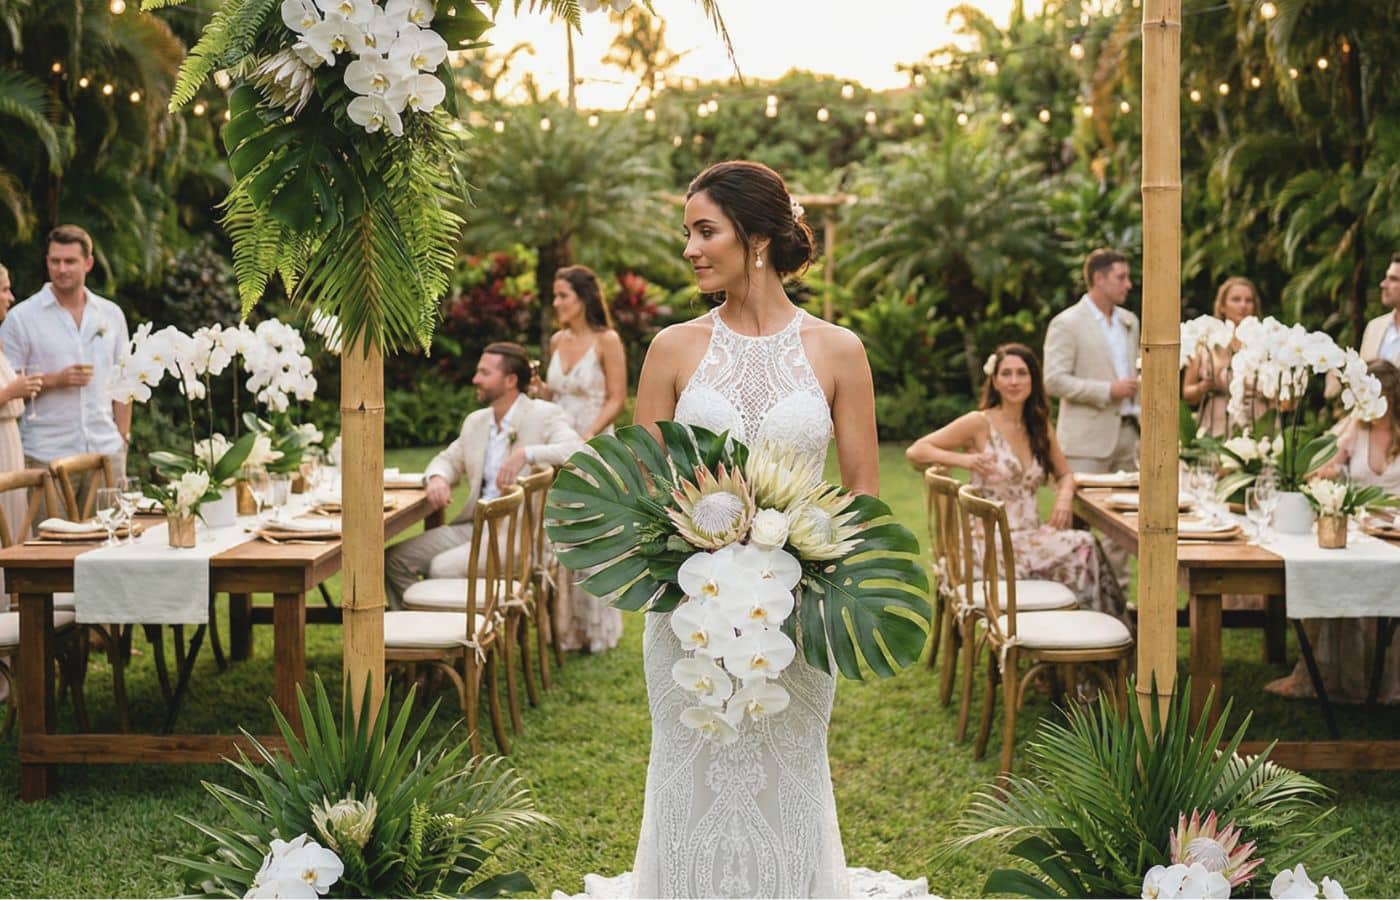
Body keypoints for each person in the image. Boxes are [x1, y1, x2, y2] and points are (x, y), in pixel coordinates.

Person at [568, 161, 926, 899]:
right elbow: (644, 484)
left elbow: (860, 490)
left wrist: (813, 573)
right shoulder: (673, 348)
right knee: (690, 760)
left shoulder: (839, 350)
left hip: (795, 610)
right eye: (687, 234)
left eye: (706, 231)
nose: (691, 249)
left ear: (756, 236)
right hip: (689, 611)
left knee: (788, 762)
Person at [905, 344, 1126, 617]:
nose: (1014, 381)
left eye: (1022, 373)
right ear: (995, 381)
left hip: (1029, 535)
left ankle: (1085, 632)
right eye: (1006, 373)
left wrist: (1064, 497)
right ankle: (1096, 632)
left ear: (1033, 379)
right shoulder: (979, 423)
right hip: (987, 541)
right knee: (1083, 546)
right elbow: (916, 451)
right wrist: (966, 461)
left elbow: (1065, 473)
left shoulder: (1038, 424)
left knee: (1084, 545)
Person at [384, 342, 581, 609]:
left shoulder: (544, 415)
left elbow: (577, 450)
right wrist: (437, 478)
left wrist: (527, 453)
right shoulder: (476, 422)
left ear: (511, 380)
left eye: (485, 373)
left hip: (517, 536)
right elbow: (448, 459)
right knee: (394, 559)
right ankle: (423, 635)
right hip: (474, 524)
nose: (475, 379)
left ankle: (453, 640)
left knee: (441, 568)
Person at [1267, 358, 1400, 705]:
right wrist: (1320, 472)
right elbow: (1324, 466)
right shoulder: (1357, 428)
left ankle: (1381, 682)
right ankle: (1330, 676)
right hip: (1359, 530)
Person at [530, 265, 626, 652]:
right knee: (559, 532)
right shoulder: (556, 341)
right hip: (557, 443)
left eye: (563, 295)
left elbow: (616, 397)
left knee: (593, 533)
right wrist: (539, 391)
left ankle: (597, 630)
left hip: (594, 445)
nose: (556, 303)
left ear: (583, 298)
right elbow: (555, 395)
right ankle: (564, 629)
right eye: (555, 295)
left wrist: (588, 437)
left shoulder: (608, 341)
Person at [0, 225, 130, 478]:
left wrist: (122, 437)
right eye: (55, 261)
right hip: (46, 455)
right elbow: (10, 387)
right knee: (48, 521)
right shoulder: (20, 318)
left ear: (88, 263)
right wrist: (55, 380)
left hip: (106, 451)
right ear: (47, 262)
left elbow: (125, 383)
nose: (62, 269)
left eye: (70, 261)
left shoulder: (111, 314)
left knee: (113, 519)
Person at [1044, 248, 1141, 474]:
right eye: (1121, 277)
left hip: (1130, 437)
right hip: (1085, 444)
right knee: (1082, 509)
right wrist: (1108, 390)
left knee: (1132, 509)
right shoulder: (1066, 323)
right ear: (1099, 278)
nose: (1128, 284)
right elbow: (1054, 380)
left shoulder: (1130, 321)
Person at [1182, 276, 1266, 437]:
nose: (1243, 305)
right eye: (1236, 299)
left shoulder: (1264, 342)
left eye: (1248, 300)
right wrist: (1203, 387)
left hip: (1258, 420)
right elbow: (1187, 393)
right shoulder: (1206, 340)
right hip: (1217, 422)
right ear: (1222, 306)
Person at [0, 264, 43, 542]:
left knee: (14, 527)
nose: (11, 297)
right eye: (4, 290)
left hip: (9, 443)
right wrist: (10, 391)